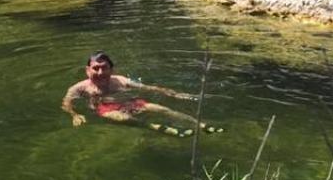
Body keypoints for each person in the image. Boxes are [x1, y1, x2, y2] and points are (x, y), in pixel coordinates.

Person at [60, 51, 220, 137]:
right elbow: (67, 102)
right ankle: (154, 127)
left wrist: (173, 94)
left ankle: (200, 125)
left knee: (163, 109)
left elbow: (148, 88)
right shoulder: (79, 88)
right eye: (96, 68)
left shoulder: (120, 81)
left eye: (104, 67)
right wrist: (74, 115)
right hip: (105, 109)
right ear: (87, 70)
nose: (100, 72)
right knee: (123, 118)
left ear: (111, 69)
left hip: (131, 102)